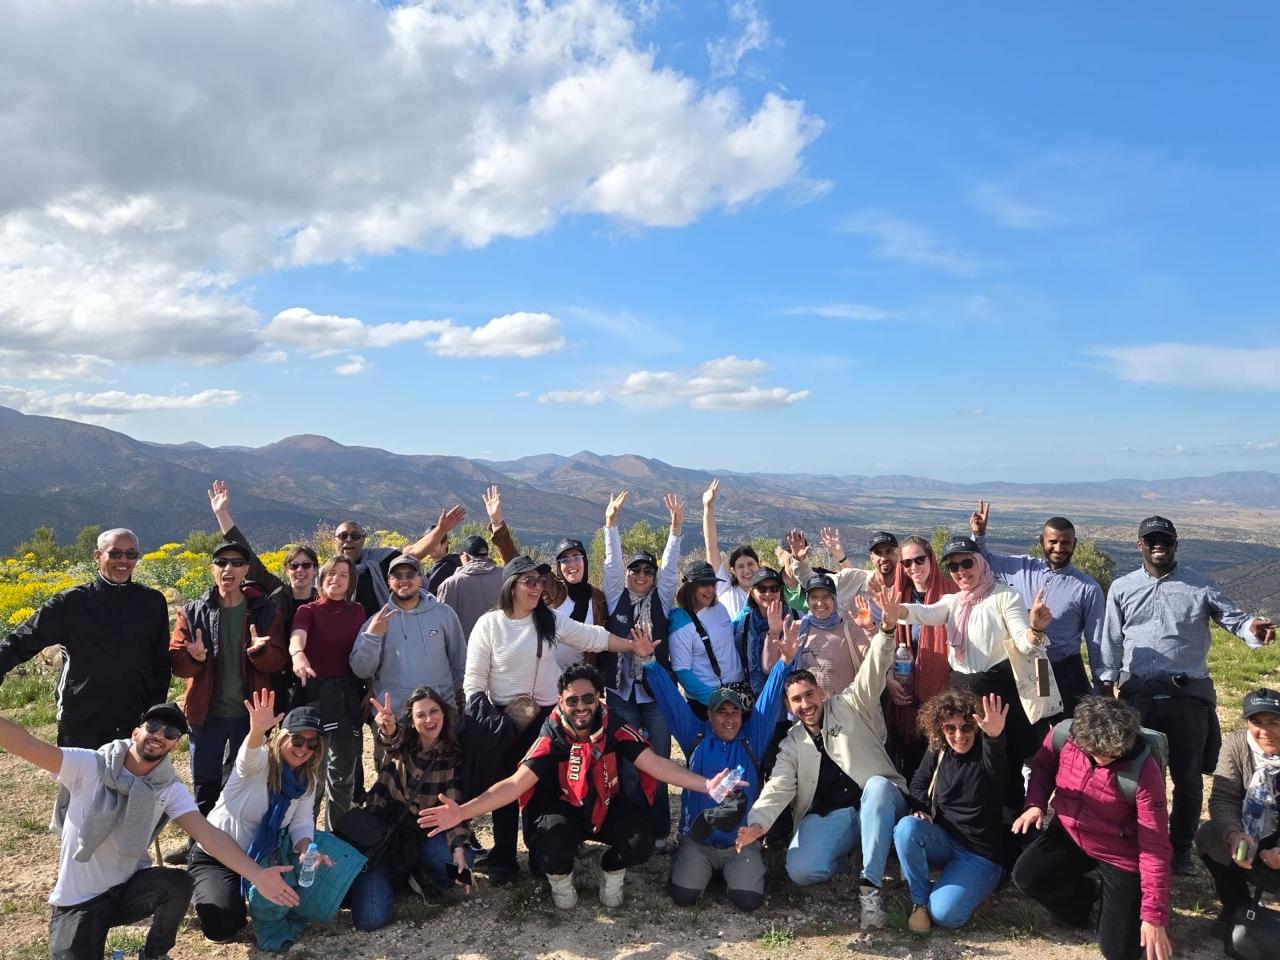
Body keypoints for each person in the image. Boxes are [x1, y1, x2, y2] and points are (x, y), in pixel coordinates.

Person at [421, 663, 740, 909]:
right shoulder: (553, 732)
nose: (581, 706)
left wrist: (706, 785)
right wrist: (462, 811)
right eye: (572, 699)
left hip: (606, 802)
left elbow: (655, 764)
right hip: (561, 806)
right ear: (561, 700)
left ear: (600, 698)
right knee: (548, 848)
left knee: (640, 843)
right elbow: (515, 784)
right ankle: (561, 878)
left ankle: (610, 868)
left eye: (589, 698)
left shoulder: (612, 723)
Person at [0, 703, 297, 960]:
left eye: (170, 734)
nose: (159, 735)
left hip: (128, 890)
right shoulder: (90, 765)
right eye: (153, 726)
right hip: (79, 900)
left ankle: (154, 953)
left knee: (177, 884)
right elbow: (27, 745)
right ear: (136, 732)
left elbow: (208, 835)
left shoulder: (167, 787)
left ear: (175, 745)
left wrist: (257, 875)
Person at [1100, 515, 1276, 874]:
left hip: (1187, 696)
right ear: (1140, 545)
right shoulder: (1121, 588)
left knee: (1188, 777)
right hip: (1138, 696)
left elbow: (1233, 618)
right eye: (1151, 540)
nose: (1158, 545)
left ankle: (1178, 848)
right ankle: (1129, 841)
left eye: (1165, 539)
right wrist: (1105, 686)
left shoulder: (1200, 586)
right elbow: (1111, 641)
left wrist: (1251, 628)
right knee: (1129, 774)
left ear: (1176, 544)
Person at [463, 556, 647, 884]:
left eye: (540, 581)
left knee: (543, 790)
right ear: (511, 586)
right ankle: (504, 857)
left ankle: (541, 854)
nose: (538, 587)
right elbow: (474, 683)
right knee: (506, 787)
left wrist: (633, 646)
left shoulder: (548, 620)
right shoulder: (489, 625)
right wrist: (487, 719)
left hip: (547, 719)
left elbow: (594, 637)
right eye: (530, 581)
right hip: (504, 721)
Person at [736, 590, 909, 930]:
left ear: (822, 693)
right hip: (838, 815)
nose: (805, 704)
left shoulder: (850, 704)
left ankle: (870, 888)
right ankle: (853, 854)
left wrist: (886, 630)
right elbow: (778, 788)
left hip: (881, 800)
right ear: (789, 707)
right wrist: (758, 823)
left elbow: (874, 667)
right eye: (797, 700)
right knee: (801, 870)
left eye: (810, 695)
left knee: (875, 787)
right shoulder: (792, 743)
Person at [636, 613, 798, 911]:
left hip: (741, 840)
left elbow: (770, 699)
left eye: (734, 712)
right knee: (683, 897)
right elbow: (671, 700)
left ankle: (732, 873)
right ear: (709, 716)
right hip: (699, 841)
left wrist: (784, 664)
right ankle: (699, 866)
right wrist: (649, 663)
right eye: (721, 712)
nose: (729, 718)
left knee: (748, 902)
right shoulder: (695, 735)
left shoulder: (753, 738)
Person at [884, 536, 1054, 806]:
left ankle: (1008, 831)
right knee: (966, 763)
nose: (961, 571)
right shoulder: (954, 602)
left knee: (1001, 764)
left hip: (995, 697)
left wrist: (1035, 631)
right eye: (953, 566)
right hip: (961, 695)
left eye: (967, 563)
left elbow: (1023, 642)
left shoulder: (1005, 597)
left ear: (981, 562)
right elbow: (926, 613)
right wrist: (899, 611)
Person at [1012, 696, 1172, 960]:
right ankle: (1086, 898)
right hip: (1069, 833)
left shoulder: (1144, 772)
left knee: (1118, 951)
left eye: (1112, 755)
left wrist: (1154, 917)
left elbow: (1155, 847)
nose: (1102, 760)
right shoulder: (1063, 736)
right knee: (1028, 876)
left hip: (1119, 853)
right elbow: (1042, 767)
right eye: (1095, 754)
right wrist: (1035, 804)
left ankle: (1124, 907)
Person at [0, 528, 170, 750]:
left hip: (133, 720)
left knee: (128, 784)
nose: (124, 560)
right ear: (98, 556)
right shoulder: (70, 603)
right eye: (115, 554)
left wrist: (154, 713)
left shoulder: (152, 602)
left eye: (131, 554)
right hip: (81, 720)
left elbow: (160, 664)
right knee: (78, 784)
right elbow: (23, 639)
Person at [189, 692, 326, 943]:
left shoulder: (308, 779)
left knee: (307, 896)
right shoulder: (260, 762)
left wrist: (305, 847)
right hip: (217, 856)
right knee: (225, 923)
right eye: (297, 740)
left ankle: (252, 889)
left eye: (313, 743)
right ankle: (200, 887)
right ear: (282, 737)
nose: (304, 749)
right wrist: (256, 732)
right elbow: (247, 756)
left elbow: (301, 822)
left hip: (263, 858)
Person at [170, 541, 288, 816]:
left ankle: (235, 845)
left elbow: (278, 660)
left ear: (246, 570)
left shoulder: (264, 611)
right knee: (205, 785)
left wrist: (261, 652)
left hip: (249, 715)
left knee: (244, 782)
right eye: (222, 562)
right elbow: (178, 664)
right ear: (212, 569)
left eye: (236, 563)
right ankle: (201, 847)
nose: (228, 568)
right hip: (205, 713)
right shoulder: (191, 613)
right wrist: (195, 659)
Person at [598, 490, 683, 852]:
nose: (643, 575)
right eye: (637, 570)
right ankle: (632, 832)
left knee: (659, 764)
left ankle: (661, 830)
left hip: (654, 695)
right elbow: (611, 565)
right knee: (629, 766)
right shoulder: (616, 594)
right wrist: (611, 525)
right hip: (620, 695)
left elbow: (671, 569)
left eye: (649, 570)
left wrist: (676, 530)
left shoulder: (662, 601)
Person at [349, 686, 474, 930]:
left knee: (463, 858)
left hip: (420, 834)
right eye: (421, 715)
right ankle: (399, 875)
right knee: (370, 919)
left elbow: (452, 807)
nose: (429, 719)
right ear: (412, 720)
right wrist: (388, 726)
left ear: (444, 714)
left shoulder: (452, 756)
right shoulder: (405, 741)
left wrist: (459, 849)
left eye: (434, 711)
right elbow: (392, 740)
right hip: (383, 836)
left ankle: (416, 873)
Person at [970, 501, 1105, 717]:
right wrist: (979, 535)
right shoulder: (1021, 569)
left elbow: (1096, 640)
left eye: (1065, 543)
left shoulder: (1087, 588)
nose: (1059, 548)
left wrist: (1101, 686)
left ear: (1074, 544)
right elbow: (983, 561)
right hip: (1027, 668)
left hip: (1065, 669)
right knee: (1032, 732)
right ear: (1041, 541)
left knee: (1069, 734)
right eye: (1053, 541)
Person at [894, 691, 1009, 932]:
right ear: (940, 728)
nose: (959, 735)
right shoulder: (939, 749)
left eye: (966, 727)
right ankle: (919, 902)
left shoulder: (986, 752)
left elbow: (997, 768)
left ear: (977, 727)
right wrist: (920, 809)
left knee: (945, 916)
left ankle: (976, 889)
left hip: (980, 853)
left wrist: (995, 736)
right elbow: (918, 783)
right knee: (906, 827)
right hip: (945, 840)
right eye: (950, 728)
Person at [209, 480, 318, 708]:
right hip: (273, 676)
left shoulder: (323, 600)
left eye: (306, 565)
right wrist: (222, 513)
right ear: (286, 570)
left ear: (315, 570)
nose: (300, 570)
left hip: (315, 675)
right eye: (294, 566)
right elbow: (243, 549)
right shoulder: (275, 590)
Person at [287, 555, 368, 826]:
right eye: (331, 574)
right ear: (322, 579)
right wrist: (298, 654)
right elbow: (297, 636)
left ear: (350, 582)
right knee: (312, 772)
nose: (336, 579)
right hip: (315, 700)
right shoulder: (308, 611)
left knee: (343, 773)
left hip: (347, 699)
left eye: (343, 575)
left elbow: (366, 652)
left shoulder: (356, 611)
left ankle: (338, 836)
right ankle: (304, 834)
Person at [349, 554, 467, 725]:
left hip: (437, 715)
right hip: (392, 718)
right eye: (397, 575)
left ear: (421, 579)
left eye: (410, 574)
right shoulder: (378, 621)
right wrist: (373, 636)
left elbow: (460, 662)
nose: (404, 580)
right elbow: (361, 670)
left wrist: (471, 698)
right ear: (389, 582)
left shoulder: (444, 614)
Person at [1195, 689, 1280, 921]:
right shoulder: (1236, 743)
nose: (1264, 731)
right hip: (1250, 831)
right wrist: (1234, 834)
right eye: (1256, 722)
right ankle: (1238, 910)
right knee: (1210, 835)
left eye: (1273, 722)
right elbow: (1223, 797)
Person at [884, 535, 956, 778]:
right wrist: (888, 678)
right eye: (906, 563)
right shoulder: (897, 597)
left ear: (931, 559)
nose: (913, 567)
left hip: (943, 694)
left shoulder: (952, 595)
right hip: (905, 696)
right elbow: (883, 646)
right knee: (910, 763)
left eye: (919, 559)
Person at [333, 507, 465, 624]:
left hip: (384, 636)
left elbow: (412, 553)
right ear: (334, 541)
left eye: (355, 536)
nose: (349, 539)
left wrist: (441, 530)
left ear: (363, 540)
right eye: (343, 536)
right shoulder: (327, 574)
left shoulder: (380, 560)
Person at [436, 486, 520, 638]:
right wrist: (496, 522)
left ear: (465, 557)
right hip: (505, 651)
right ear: (487, 555)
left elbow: (440, 625)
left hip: (468, 655)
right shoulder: (507, 577)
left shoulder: (450, 584)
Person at [669, 560, 746, 719]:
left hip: (739, 694)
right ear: (689, 587)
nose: (710, 590)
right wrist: (716, 700)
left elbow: (729, 635)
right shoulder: (681, 623)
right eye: (703, 584)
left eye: (713, 584)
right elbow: (682, 670)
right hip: (708, 704)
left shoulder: (719, 608)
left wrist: (748, 607)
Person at [423, 485, 519, 598]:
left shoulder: (452, 579)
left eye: (435, 542)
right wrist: (496, 522)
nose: (430, 546)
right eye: (428, 542)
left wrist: (496, 522)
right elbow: (514, 561)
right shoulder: (502, 576)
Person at [542, 537, 607, 672]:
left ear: (584, 561)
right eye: (565, 560)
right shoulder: (553, 589)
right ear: (559, 566)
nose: (571, 564)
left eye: (576, 557)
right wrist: (498, 525)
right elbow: (519, 566)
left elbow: (602, 642)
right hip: (549, 677)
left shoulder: (597, 598)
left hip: (582, 679)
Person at [700, 478, 758, 619]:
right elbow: (711, 547)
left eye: (751, 564)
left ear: (759, 566)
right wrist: (708, 508)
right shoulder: (724, 588)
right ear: (733, 570)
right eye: (740, 566)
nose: (747, 570)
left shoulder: (767, 594)